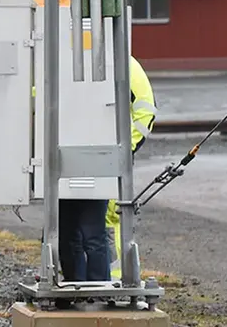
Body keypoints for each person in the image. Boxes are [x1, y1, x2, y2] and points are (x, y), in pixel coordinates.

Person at [59, 56, 156, 282]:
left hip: (108, 159)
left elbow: (145, 112)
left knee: (102, 226)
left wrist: (124, 150)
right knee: (72, 231)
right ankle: (83, 286)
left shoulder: (123, 62)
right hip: (80, 156)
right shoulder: (65, 57)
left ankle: (107, 283)